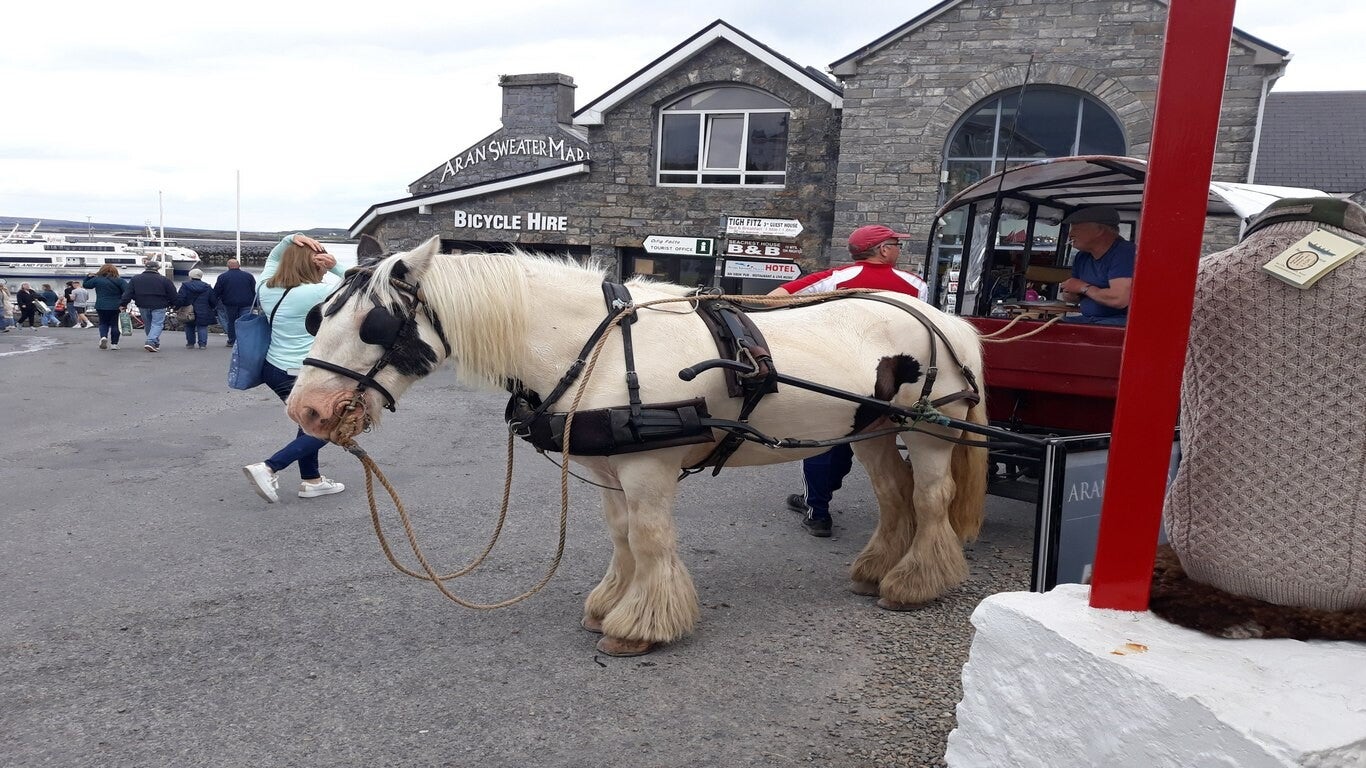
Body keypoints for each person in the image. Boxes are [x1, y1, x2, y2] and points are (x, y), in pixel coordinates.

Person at [769, 224, 928, 537]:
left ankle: (818, 512)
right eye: (896, 244)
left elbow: (774, 298)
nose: (899, 249)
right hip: (895, 380)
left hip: (841, 372)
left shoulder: (835, 278)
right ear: (883, 250)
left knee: (825, 443)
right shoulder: (915, 285)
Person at [242, 233, 347, 503]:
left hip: (273, 369)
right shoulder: (318, 292)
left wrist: (290, 239)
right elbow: (362, 283)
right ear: (315, 265)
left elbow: (273, 257)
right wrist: (335, 265)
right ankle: (269, 467)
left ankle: (312, 481)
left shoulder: (266, 288)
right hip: (303, 374)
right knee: (327, 426)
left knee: (308, 423)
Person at [1056, 206, 1135, 325]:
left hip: (1121, 323)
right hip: (1089, 320)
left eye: (1076, 228)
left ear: (1099, 230)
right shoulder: (1082, 256)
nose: (1070, 234)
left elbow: (1119, 299)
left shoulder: (1125, 252)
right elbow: (1073, 298)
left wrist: (1084, 288)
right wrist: (1070, 292)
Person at [120, 260, 178, 352]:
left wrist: (123, 304)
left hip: (142, 304)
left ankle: (154, 343)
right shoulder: (165, 280)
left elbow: (128, 293)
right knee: (157, 324)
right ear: (158, 268)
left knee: (148, 324)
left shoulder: (135, 279)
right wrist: (174, 304)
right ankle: (151, 341)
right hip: (159, 304)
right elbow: (173, 294)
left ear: (145, 267)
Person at [213, 258, 257, 347]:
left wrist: (213, 302)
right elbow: (254, 290)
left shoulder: (222, 277)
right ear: (239, 265)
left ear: (228, 266)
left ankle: (232, 341)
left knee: (231, 322)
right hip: (246, 303)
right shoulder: (248, 276)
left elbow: (217, 291)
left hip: (230, 303)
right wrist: (255, 304)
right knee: (244, 322)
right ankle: (244, 341)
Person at [84, 265, 128, 350]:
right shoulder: (120, 280)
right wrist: (124, 303)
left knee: (103, 323)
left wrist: (88, 277)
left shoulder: (97, 280)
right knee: (115, 324)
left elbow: (86, 285)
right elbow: (127, 291)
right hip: (116, 306)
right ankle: (114, 344)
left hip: (101, 305)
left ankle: (103, 337)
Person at [175, 268, 221, 349]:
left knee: (189, 326)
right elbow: (213, 300)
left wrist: (177, 307)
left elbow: (181, 298)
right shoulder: (207, 287)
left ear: (190, 276)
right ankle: (202, 344)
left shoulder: (185, 286)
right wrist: (211, 308)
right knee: (202, 327)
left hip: (188, 310)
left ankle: (190, 343)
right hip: (204, 309)